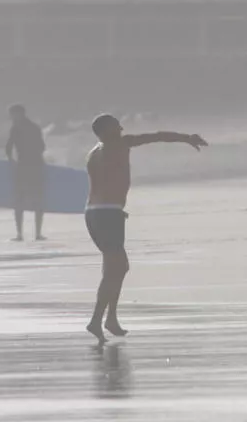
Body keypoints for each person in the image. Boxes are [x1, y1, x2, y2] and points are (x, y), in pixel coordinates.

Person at [83, 114, 206, 341]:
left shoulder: (93, 153)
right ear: (106, 131)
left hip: (95, 212)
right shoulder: (119, 144)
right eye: (116, 126)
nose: (121, 128)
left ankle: (110, 318)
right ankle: (97, 320)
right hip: (107, 214)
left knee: (117, 267)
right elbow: (156, 136)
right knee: (116, 268)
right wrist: (187, 138)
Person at [5, 103, 47, 242]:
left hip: (23, 167)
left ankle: (20, 234)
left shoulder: (16, 128)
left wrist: (11, 160)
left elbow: (8, 147)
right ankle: (37, 234)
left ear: (20, 113)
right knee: (37, 200)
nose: (11, 117)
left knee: (19, 201)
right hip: (36, 166)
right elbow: (42, 147)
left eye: (12, 114)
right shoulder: (34, 127)